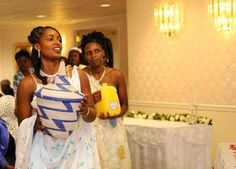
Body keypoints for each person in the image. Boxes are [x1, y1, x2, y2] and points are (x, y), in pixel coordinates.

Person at [15, 26, 100, 169]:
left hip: (77, 152)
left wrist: (85, 110)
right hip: (43, 154)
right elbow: (22, 125)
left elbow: (92, 115)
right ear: (37, 46)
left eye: (59, 40)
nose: (57, 43)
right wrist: (37, 123)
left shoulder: (77, 75)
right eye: (50, 39)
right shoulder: (28, 84)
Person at [80, 31, 131, 169]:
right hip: (90, 128)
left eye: (96, 51)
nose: (93, 55)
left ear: (103, 52)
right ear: (85, 56)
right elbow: (78, 103)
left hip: (113, 129)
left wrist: (114, 114)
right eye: (88, 52)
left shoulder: (116, 75)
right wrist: (92, 99)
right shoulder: (81, 75)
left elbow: (125, 105)